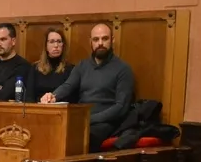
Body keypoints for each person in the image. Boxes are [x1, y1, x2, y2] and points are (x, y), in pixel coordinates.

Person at [41, 23, 134, 151]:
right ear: (90, 42)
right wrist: (53, 96)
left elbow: (121, 107)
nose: (100, 43)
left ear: (112, 40)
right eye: (96, 39)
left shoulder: (123, 69)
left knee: (80, 139)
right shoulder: (82, 66)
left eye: (105, 38)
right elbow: (68, 86)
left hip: (106, 123)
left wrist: (90, 119)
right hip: (82, 119)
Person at [26, 27, 74, 103]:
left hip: (61, 111)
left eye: (59, 41)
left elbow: (72, 96)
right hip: (39, 110)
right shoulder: (35, 68)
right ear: (46, 46)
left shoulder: (70, 69)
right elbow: (29, 97)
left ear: (63, 45)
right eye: (52, 42)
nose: (56, 45)